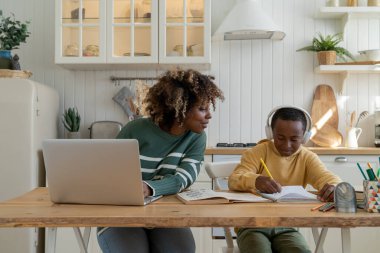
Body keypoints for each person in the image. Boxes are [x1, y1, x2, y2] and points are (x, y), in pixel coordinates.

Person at [97, 68, 224, 253]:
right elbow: (112, 175)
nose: (209, 115)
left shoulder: (196, 138)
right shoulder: (134, 130)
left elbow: (183, 179)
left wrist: (148, 188)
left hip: (166, 213)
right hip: (122, 213)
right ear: (180, 108)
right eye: (202, 108)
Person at [228, 106, 342, 253]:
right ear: (271, 133)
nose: (287, 145)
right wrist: (256, 180)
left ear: (305, 137)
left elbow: (328, 177)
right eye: (280, 138)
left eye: (294, 139)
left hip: (287, 226)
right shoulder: (257, 152)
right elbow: (234, 179)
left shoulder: (307, 157)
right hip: (251, 225)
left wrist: (334, 186)